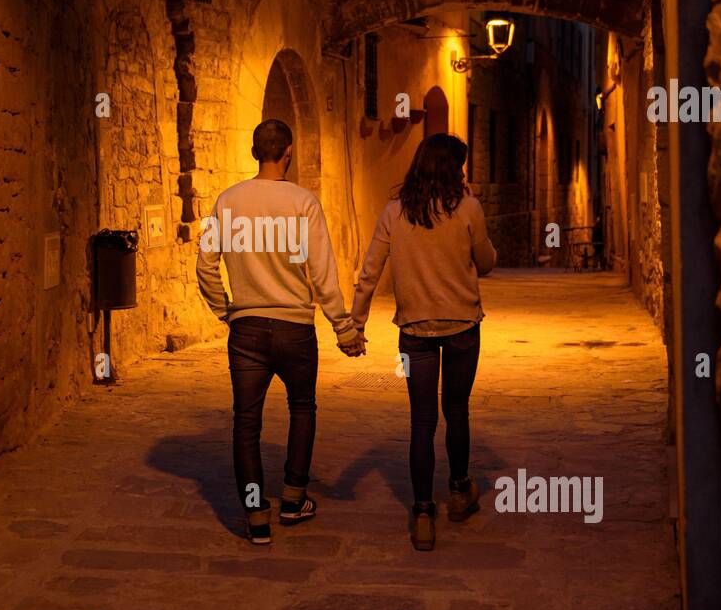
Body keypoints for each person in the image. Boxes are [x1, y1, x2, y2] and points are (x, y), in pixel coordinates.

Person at [197, 118, 366, 545]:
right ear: (287, 151)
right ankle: (292, 499)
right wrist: (343, 328)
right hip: (295, 328)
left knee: (246, 422)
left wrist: (227, 311)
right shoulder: (303, 202)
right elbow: (322, 270)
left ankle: (255, 515)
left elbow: (205, 265)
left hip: (247, 329)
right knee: (302, 408)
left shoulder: (227, 201)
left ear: (256, 151)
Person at [350, 133, 497, 551]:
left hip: (414, 333)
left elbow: (370, 271)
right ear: (453, 169)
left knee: (421, 420)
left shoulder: (394, 212)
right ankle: (459, 489)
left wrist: (356, 324)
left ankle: (421, 512)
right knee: (456, 410)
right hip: (463, 328)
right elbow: (485, 263)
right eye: (461, 166)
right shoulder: (469, 207)